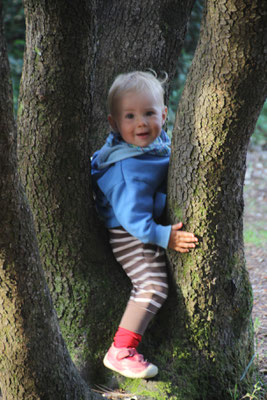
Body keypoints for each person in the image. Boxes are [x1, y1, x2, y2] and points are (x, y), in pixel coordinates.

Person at [91, 71, 198, 379]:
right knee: (152, 287)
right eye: (130, 116)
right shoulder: (128, 170)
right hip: (131, 237)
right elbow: (133, 221)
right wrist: (166, 237)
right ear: (114, 124)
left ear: (164, 114)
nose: (141, 123)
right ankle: (120, 351)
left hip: (139, 227)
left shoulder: (152, 144)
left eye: (149, 113)